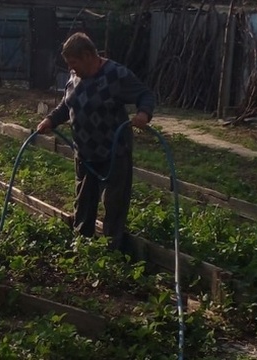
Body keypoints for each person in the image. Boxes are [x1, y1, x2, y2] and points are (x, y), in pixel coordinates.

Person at [36, 32, 155, 252]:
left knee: (114, 204)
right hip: (84, 154)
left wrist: (143, 114)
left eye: (74, 63)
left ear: (89, 55)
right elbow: (66, 105)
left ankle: (111, 251)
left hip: (113, 154)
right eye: (69, 64)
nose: (71, 69)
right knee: (84, 204)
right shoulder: (74, 76)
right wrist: (50, 120)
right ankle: (81, 245)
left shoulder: (116, 75)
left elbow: (145, 95)